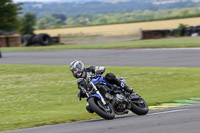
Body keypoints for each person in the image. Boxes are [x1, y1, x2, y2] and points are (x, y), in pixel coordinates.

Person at [69, 60, 135, 99]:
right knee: (89, 108)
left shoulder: (89, 69)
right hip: (97, 91)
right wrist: (80, 93)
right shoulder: (81, 81)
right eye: (73, 71)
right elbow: (83, 89)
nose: (74, 72)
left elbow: (100, 68)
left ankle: (126, 88)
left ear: (79, 68)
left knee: (109, 75)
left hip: (103, 82)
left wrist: (99, 70)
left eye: (75, 70)